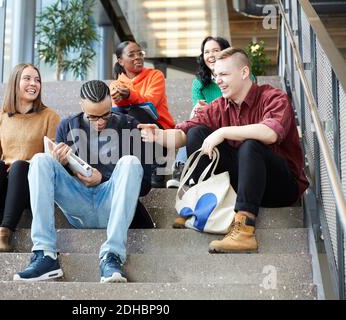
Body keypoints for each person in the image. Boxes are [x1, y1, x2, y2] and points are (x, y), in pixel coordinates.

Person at [139, 48, 309, 254]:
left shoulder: (273, 97)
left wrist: (222, 132)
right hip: (244, 183)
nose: (217, 80)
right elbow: (182, 135)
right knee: (197, 132)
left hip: (280, 186)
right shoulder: (219, 106)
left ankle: (244, 229)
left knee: (251, 144)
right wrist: (160, 136)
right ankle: (201, 204)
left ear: (244, 73)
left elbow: (271, 133)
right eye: (215, 75)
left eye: (224, 74)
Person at [14, 80, 152, 282]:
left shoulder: (130, 124)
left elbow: (146, 184)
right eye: (93, 116)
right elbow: (58, 178)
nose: (100, 122)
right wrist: (61, 165)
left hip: (111, 203)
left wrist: (102, 178)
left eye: (106, 114)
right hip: (78, 204)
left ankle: (111, 255)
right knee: (40, 160)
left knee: (130, 162)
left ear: (111, 104)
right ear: (81, 106)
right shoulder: (67, 126)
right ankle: (45, 255)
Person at [0, 63, 60, 253]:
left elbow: (52, 159)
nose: (33, 84)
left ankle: (4, 235)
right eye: (27, 79)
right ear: (14, 83)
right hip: (4, 185)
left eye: (37, 80)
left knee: (19, 166)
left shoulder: (50, 116)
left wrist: (27, 163)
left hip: (30, 184)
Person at [167, 36, 231, 192]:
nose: (211, 55)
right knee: (194, 119)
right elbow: (200, 109)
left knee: (195, 123)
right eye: (206, 52)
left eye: (216, 50)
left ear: (226, 52)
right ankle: (182, 167)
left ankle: (182, 167)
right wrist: (199, 109)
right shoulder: (199, 82)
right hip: (208, 124)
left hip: (231, 123)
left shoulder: (239, 74)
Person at [110, 41, 175, 188]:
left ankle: (156, 167)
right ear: (120, 61)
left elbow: (151, 101)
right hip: (133, 138)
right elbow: (118, 109)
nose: (137, 57)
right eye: (131, 55)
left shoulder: (155, 75)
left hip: (160, 133)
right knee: (118, 116)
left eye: (140, 53)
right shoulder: (115, 85)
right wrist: (118, 98)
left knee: (136, 111)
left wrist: (129, 95)